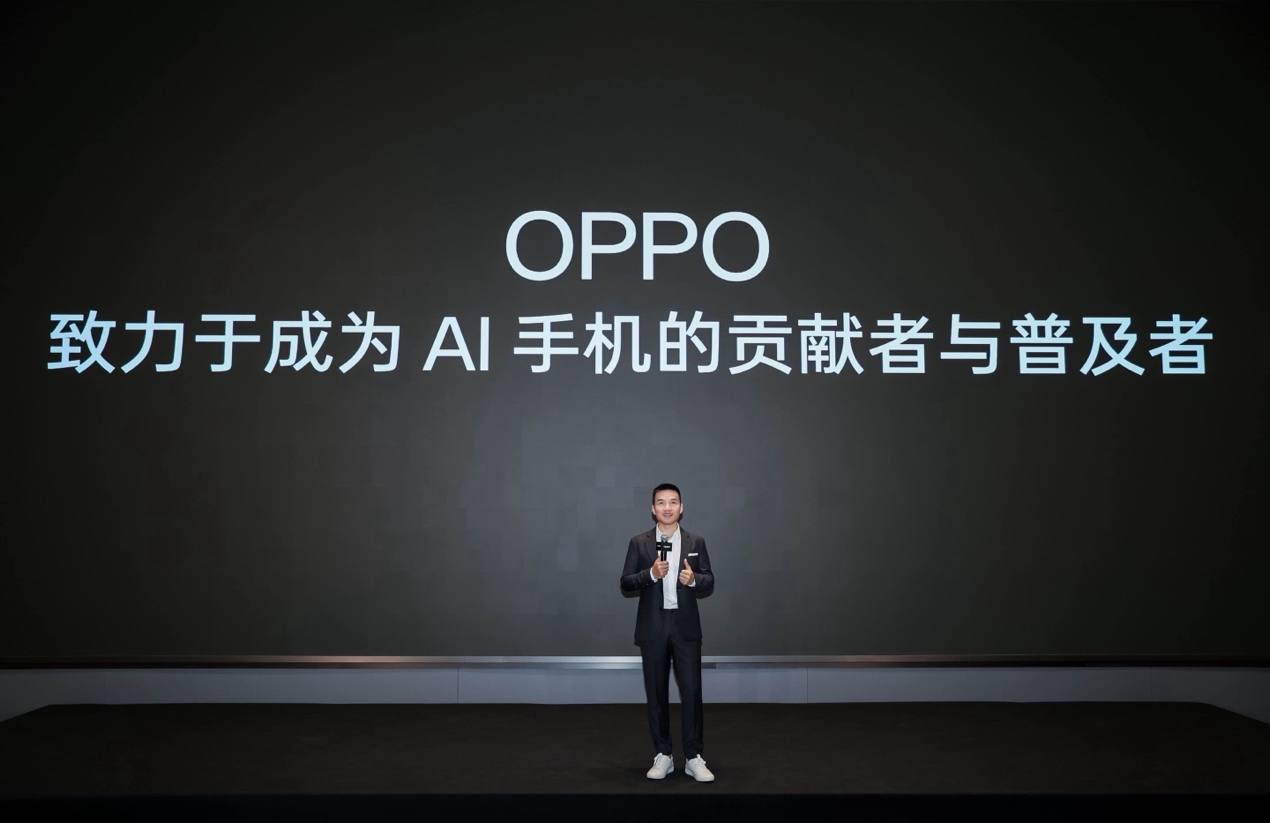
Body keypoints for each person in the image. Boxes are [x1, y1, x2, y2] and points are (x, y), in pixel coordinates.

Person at [619, 482, 716, 782]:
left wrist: (693, 580)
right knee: (656, 694)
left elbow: (709, 580)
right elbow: (626, 582)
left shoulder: (696, 541)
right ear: (653, 509)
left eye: (673, 502)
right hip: (653, 628)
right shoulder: (639, 543)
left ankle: (694, 757)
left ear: (681, 507)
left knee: (692, 693)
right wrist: (650, 574)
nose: (667, 507)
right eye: (661, 502)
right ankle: (663, 755)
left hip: (685, 628)